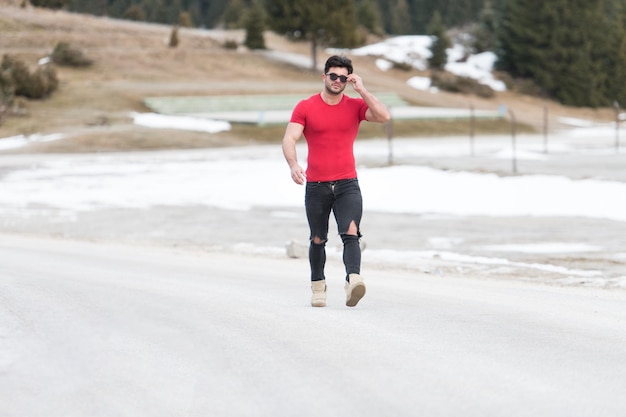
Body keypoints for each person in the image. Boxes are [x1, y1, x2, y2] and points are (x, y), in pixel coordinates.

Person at [282, 55, 391, 308]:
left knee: (351, 232)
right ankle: (318, 287)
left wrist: (362, 89)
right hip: (317, 185)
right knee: (318, 238)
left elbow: (384, 116)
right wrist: (294, 164)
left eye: (344, 78)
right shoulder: (306, 106)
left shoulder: (354, 106)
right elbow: (290, 139)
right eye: (334, 76)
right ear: (325, 77)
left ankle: (353, 280)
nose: (338, 81)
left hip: (347, 184)